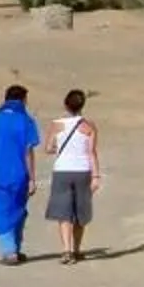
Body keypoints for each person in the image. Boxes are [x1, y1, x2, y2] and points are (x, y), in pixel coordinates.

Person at [0, 84, 43, 265]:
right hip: (20, 175)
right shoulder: (26, 121)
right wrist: (32, 177)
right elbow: (28, 151)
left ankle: (9, 251)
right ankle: (15, 248)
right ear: (23, 100)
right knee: (17, 209)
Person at [44, 88, 99, 264]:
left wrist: (58, 149)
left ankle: (66, 250)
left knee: (63, 212)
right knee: (80, 211)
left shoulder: (56, 124)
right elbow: (92, 152)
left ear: (66, 105)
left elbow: (48, 148)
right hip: (83, 170)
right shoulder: (88, 126)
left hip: (62, 170)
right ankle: (76, 248)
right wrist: (96, 176)